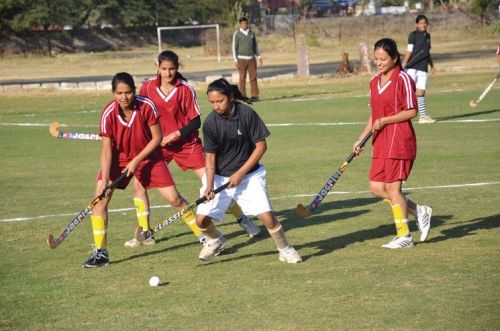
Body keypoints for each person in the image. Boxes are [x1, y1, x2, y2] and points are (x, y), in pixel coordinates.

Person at [121, 50, 260, 248]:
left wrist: (173, 135)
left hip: (186, 145)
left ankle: (242, 219)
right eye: (164, 69)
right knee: (139, 185)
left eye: (172, 69)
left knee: (214, 186)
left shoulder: (185, 89)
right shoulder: (147, 88)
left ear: (177, 68)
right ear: (157, 68)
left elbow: (195, 122)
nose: (168, 74)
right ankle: (145, 232)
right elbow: (140, 115)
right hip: (158, 147)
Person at [83, 72, 197, 268]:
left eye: (128, 92)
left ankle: (205, 236)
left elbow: (157, 139)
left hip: (148, 155)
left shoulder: (146, 106)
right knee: (99, 202)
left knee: (173, 198)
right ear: (113, 93)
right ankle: (101, 254)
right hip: (118, 159)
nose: (124, 97)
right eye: (120, 93)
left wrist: (136, 161)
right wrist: (105, 181)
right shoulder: (108, 113)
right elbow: (106, 151)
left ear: (134, 91)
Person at [194, 78, 302, 263]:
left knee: (267, 218)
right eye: (212, 102)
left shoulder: (246, 114)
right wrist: (209, 186)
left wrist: (241, 173)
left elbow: (261, 146)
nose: (216, 106)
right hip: (220, 176)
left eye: (220, 101)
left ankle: (285, 249)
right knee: (201, 221)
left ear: (231, 96)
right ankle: (216, 239)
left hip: (250, 175)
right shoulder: (210, 123)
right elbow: (210, 158)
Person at [354, 38, 432, 249]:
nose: (379, 63)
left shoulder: (403, 79)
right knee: (377, 188)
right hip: (379, 141)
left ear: (395, 58)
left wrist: (386, 120)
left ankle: (404, 235)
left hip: (399, 140)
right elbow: (374, 116)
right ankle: (418, 210)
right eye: (376, 59)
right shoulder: (373, 82)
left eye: (383, 59)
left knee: (393, 188)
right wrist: (361, 138)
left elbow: (412, 111)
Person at [402, 14, 436, 124]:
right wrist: (404, 64)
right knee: (408, 92)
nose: (423, 25)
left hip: (423, 68)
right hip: (412, 68)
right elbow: (409, 51)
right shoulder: (413, 35)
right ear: (417, 24)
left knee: (421, 92)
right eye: (421, 23)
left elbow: (427, 52)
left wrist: (432, 66)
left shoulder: (428, 36)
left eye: (425, 23)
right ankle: (400, 114)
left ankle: (423, 116)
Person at [232, 17, 262, 103]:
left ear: (247, 24)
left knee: (253, 77)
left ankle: (255, 95)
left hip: (251, 58)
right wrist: (235, 59)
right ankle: (242, 95)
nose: (244, 25)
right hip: (241, 59)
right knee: (242, 78)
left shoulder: (251, 33)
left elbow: (255, 46)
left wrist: (259, 57)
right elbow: (234, 47)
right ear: (240, 24)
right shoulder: (237, 34)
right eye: (242, 24)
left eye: (245, 23)